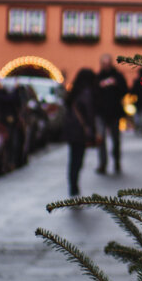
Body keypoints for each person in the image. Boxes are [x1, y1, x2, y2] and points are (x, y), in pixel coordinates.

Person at [63, 68, 96, 196]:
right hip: (80, 131)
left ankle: (72, 185)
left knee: (72, 159)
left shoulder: (73, 91)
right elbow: (89, 113)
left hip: (71, 129)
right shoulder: (86, 93)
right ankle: (74, 186)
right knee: (78, 159)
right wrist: (91, 130)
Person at [94, 54, 128, 174]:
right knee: (101, 139)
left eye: (107, 63)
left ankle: (117, 162)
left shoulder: (118, 76)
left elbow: (125, 90)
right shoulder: (98, 78)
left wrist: (116, 84)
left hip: (114, 113)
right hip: (101, 112)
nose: (106, 66)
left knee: (116, 139)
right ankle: (103, 164)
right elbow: (94, 93)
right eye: (104, 64)